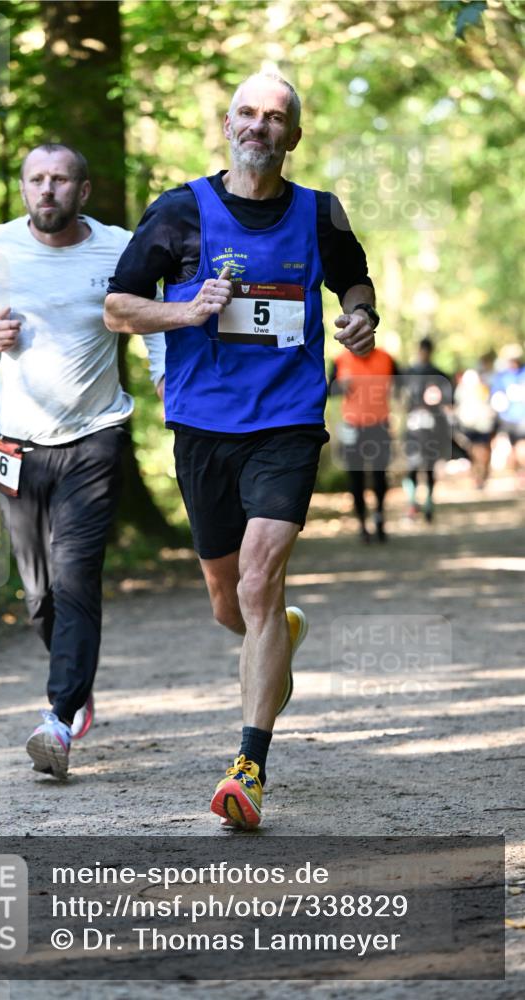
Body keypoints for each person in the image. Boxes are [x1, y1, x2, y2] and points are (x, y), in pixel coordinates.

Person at [104, 73, 377, 828]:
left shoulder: (320, 213)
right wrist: (186, 309)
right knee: (232, 603)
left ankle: (247, 767)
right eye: (248, 113)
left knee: (259, 581)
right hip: (202, 428)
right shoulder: (178, 210)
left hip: (287, 423)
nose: (259, 126)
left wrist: (360, 320)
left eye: (276, 117)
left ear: (292, 136)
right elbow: (117, 307)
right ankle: (278, 639)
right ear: (228, 125)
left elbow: (355, 286)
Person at [0, 144, 165, 780]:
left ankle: (57, 718)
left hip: (96, 437)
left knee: (74, 576)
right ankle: (77, 683)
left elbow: (151, 321)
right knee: (39, 596)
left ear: (82, 191)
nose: (47, 190)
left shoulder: (118, 247)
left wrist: (166, 380)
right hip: (17, 447)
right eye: (36, 180)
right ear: (23, 188)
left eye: (60, 180)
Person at [328, 345, 398, 543]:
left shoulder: (386, 358)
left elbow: (401, 386)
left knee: (380, 475)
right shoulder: (340, 360)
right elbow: (328, 390)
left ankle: (379, 517)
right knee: (355, 477)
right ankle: (362, 524)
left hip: (379, 425)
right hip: (352, 426)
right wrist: (341, 386)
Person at [401, 338, 453, 522]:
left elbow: (448, 402)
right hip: (413, 427)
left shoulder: (438, 375)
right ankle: (412, 503)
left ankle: (428, 503)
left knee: (428, 467)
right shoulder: (408, 373)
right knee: (413, 467)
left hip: (432, 428)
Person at [454, 353, 497, 489]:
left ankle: (481, 476)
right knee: (474, 452)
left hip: (482, 425)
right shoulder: (462, 390)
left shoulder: (483, 387)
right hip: (469, 425)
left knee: (482, 451)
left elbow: (490, 403)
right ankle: (477, 477)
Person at [490, 344, 525, 485]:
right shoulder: (502, 377)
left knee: (522, 447)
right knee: (512, 449)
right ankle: (518, 473)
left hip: (522, 418)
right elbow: (496, 397)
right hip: (507, 419)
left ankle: (522, 473)